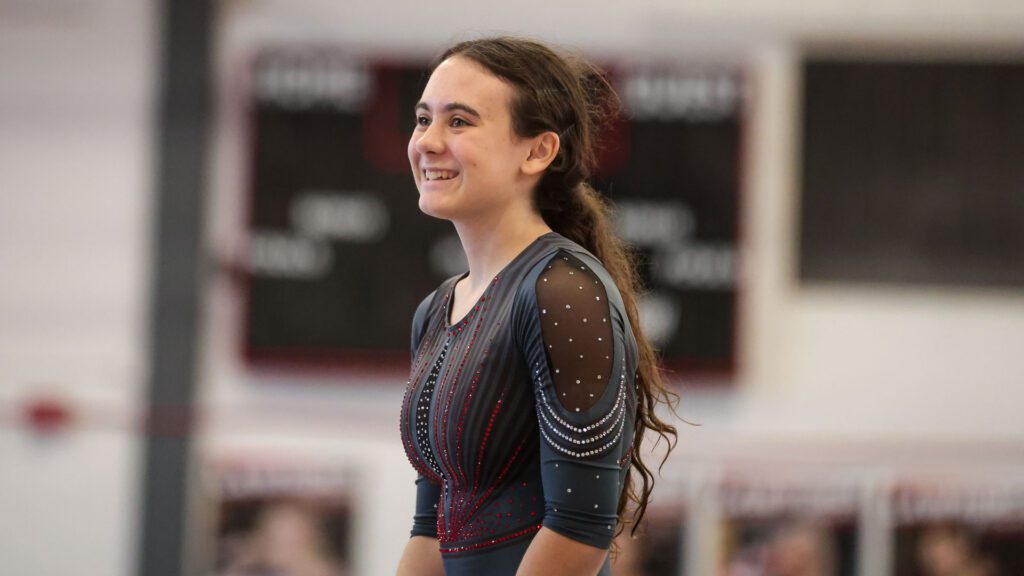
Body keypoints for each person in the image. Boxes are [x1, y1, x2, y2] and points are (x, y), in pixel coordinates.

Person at [396, 36, 677, 576]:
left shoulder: (562, 290)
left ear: (538, 150)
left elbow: (579, 530)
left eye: (459, 122)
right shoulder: (436, 310)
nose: (427, 142)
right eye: (422, 118)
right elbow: (430, 529)